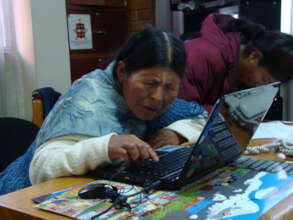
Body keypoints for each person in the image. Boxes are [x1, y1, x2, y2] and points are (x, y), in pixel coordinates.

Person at [0, 26, 207, 195]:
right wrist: (105, 146)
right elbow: (41, 167)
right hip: (19, 199)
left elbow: (201, 118)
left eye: (170, 87)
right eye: (149, 83)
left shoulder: (149, 99)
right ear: (122, 71)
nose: (158, 97)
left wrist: (176, 134)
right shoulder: (90, 98)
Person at [178, 13, 293, 112]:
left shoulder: (237, 67)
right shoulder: (200, 57)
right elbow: (178, 110)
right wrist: (227, 113)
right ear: (255, 56)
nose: (261, 87)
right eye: (264, 80)